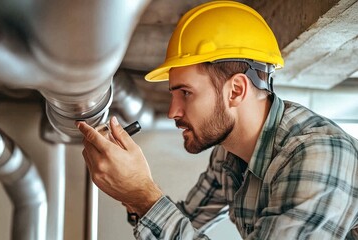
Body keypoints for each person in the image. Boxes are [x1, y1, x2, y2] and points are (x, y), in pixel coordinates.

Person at [76, 1, 358, 239]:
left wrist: (143, 195)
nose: (172, 111)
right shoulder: (227, 156)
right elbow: (183, 220)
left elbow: (161, 215)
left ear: (236, 90)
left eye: (185, 93)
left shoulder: (319, 155)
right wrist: (129, 189)